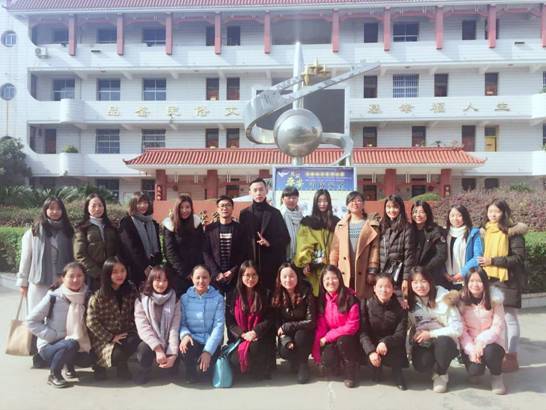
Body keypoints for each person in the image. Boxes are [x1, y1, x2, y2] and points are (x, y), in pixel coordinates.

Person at [478, 199, 527, 372]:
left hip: (507, 280)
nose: (493, 214)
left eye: (497, 211)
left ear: (504, 213)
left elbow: (518, 258)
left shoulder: (513, 232)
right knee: (493, 319)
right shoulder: (485, 231)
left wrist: (493, 261)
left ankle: (511, 356)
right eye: (490, 211)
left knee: (509, 318)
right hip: (489, 279)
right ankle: (497, 352)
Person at [26, 262, 92, 388]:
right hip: (50, 345)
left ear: (84, 277)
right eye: (71, 276)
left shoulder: (87, 295)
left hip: (74, 342)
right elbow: (31, 321)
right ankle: (54, 375)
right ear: (63, 278)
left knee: (88, 357)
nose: (75, 279)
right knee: (70, 344)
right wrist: (52, 335)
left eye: (79, 276)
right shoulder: (53, 297)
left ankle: (69, 365)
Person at [407, 266, 462, 393]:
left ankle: (441, 374)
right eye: (415, 282)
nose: (420, 286)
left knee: (443, 343)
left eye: (423, 281)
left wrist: (431, 334)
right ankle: (435, 365)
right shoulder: (410, 301)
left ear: (430, 281)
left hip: (445, 341)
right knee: (421, 365)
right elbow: (409, 327)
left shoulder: (445, 298)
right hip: (425, 343)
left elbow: (457, 329)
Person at [86, 257, 140, 381]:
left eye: (122, 270)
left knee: (136, 341)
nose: (120, 275)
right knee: (117, 354)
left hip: (124, 332)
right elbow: (91, 322)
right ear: (107, 274)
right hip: (103, 338)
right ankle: (99, 365)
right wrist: (110, 337)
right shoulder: (98, 296)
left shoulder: (131, 289)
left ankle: (122, 364)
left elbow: (137, 311)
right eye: (115, 272)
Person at [17, 197, 74, 311]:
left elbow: (74, 258)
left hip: (61, 281)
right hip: (39, 281)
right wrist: (23, 283)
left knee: (58, 315)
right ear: (45, 210)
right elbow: (26, 258)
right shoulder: (35, 231)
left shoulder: (69, 231)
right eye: (51, 208)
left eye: (58, 209)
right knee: (36, 314)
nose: (55, 211)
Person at [459, 268, 506, 395]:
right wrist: (472, 350)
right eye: (471, 281)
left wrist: (481, 342)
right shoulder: (461, 302)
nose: (475, 284)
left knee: (491, 352)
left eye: (479, 281)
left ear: (485, 282)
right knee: (475, 371)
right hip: (471, 344)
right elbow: (462, 331)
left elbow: (497, 327)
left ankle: (497, 376)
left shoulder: (495, 300)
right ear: (466, 283)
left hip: (493, 342)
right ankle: (475, 369)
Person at [312, 265, 360, 388]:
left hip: (349, 338)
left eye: (334, 278)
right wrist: (317, 355)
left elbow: (352, 326)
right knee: (327, 359)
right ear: (322, 282)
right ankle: (337, 365)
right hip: (332, 338)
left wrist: (328, 337)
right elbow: (321, 326)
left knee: (343, 341)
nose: (330, 282)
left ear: (340, 279)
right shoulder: (322, 299)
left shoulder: (350, 298)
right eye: (327, 279)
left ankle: (350, 370)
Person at [226, 260, 275, 380]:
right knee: (235, 360)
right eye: (247, 275)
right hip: (240, 337)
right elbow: (230, 321)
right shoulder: (233, 295)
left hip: (259, 336)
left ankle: (258, 369)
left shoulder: (266, 293)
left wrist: (255, 332)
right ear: (241, 276)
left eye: (254, 275)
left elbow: (269, 318)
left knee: (255, 348)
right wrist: (242, 334)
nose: (251, 279)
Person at [239, 178, 290, 291]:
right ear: (250, 193)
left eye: (261, 189)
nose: (258, 193)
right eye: (255, 190)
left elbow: (285, 238)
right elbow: (241, 241)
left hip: (270, 262)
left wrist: (269, 243)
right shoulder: (244, 214)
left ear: (266, 191)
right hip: (251, 263)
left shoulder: (275, 213)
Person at [360, 273, 408, 390]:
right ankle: (377, 367)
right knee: (375, 375)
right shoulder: (366, 304)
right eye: (380, 286)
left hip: (392, 345)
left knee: (397, 346)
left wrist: (385, 342)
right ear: (374, 288)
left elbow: (401, 334)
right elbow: (363, 332)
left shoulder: (401, 307)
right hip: (373, 345)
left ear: (393, 289)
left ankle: (397, 371)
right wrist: (371, 351)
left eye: (388, 286)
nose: (384, 290)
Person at [134, 266, 180, 385]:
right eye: (158, 280)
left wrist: (173, 354)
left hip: (168, 339)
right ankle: (145, 370)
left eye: (165, 280)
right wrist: (158, 349)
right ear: (151, 280)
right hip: (151, 340)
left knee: (181, 346)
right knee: (143, 349)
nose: (161, 284)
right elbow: (143, 327)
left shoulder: (175, 299)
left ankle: (173, 363)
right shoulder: (141, 300)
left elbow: (174, 328)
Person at [179, 265, 225, 384]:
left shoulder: (218, 298)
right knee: (185, 347)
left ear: (210, 278)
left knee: (206, 374)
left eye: (205, 277)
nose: (201, 281)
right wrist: (185, 335)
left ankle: (206, 365)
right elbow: (181, 323)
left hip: (210, 340)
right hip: (193, 339)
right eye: (197, 277)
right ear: (192, 278)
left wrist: (208, 351)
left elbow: (219, 326)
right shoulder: (184, 298)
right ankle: (190, 371)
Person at [330, 191, 380, 299]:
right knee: (346, 301)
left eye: (358, 200)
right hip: (344, 272)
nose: (355, 203)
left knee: (362, 302)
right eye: (351, 201)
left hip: (364, 271)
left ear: (363, 204)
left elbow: (374, 249)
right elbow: (335, 249)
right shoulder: (340, 225)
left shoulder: (371, 225)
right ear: (347, 205)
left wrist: (372, 270)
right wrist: (333, 268)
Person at [271, 263, 316, 384]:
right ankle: (294, 360)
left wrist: (287, 326)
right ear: (279, 279)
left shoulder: (306, 292)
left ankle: (303, 364)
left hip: (304, 330)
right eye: (284, 277)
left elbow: (311, 321)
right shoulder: (277, 294)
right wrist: (284, 338)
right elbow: (276, 321)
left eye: (291, 276)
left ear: (297, 276)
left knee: (301, 336)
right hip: (287, 332)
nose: (288, 280)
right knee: (284, 351)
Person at [294, 189, 339, 296]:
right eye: (319, 201)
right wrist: (305, 263)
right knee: (314, 295)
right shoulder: (308, 222)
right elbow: (304, 244)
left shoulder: (336, 222)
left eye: (325, 201)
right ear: (315, 203)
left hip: (332, 266)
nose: (322, 204)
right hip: (313, 267)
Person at [203, 195, 249, 294]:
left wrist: (233, 271)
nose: (225, 208)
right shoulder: (210, 229)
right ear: (217, 209)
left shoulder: (240, 229)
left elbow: (244, 252)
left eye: (228, 205)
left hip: (234, 276)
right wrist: (216, 273)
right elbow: (206, 252)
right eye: (222, 206)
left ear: (232, 208)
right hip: (216, 277)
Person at [74, 193, 119, 291]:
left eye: (100, 205)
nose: (97, 209)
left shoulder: (111, 226)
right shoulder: (82, 227)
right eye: (93, 206)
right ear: (87, 208)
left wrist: (114, 268)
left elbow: (118, 248)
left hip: (111, 272)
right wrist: (98, 273)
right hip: (92, 276)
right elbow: (80, 255)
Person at [163, 194, 205, 297]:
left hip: (196, 272)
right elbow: (170, 252)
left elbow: (201, 246)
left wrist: (197, 270)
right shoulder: (170, 224)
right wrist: (185, 272)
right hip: (177, 273)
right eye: (181, 207)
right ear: (177, 208)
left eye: (187, 207)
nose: (184, 210)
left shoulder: (196, 223)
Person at [119, 192, 162, 287]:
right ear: (133, 204)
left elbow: (157, 246)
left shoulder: (152, 223)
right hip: (136, 269)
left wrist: (156, 264)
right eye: (139, 203)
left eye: (145, 202)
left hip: (153, 267)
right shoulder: (127, 223)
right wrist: (145, 266)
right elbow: (131, 248)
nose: (143, 206)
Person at [379, 195, 415, 301]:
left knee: (398, 302)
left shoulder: (407, 227)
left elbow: (409, 255)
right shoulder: (382, 225)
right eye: (388, 207)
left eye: (395, 207)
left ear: (401, 208)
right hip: (382, 272)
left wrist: (405, 279)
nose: (391, 210)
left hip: (398, 274)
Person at [444, 205, 483, 289]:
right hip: (446, 278)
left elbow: (477, 257)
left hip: (467, 277)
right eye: (452, 215)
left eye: (459, 215)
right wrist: (444, 273)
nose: (455, 219)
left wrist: (462, 273)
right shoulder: (444, 233)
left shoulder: (473, 233)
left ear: (465, 216)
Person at [411, 200, 447, 288]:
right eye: (415, 212)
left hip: (431, 274)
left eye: (422, 212)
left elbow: (441, 255)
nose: (418, 215)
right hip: (413, 274)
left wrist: (424, 269)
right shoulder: (409, 230)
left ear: (428, 214)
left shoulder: (435, 231)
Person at [280, 186, 303, 261]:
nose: (292, 200)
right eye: (289, 197)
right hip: (283, 255)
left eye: (294, 197)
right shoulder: (279, 214)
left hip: (299, 255)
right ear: (283, 199)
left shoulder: (300, 214)